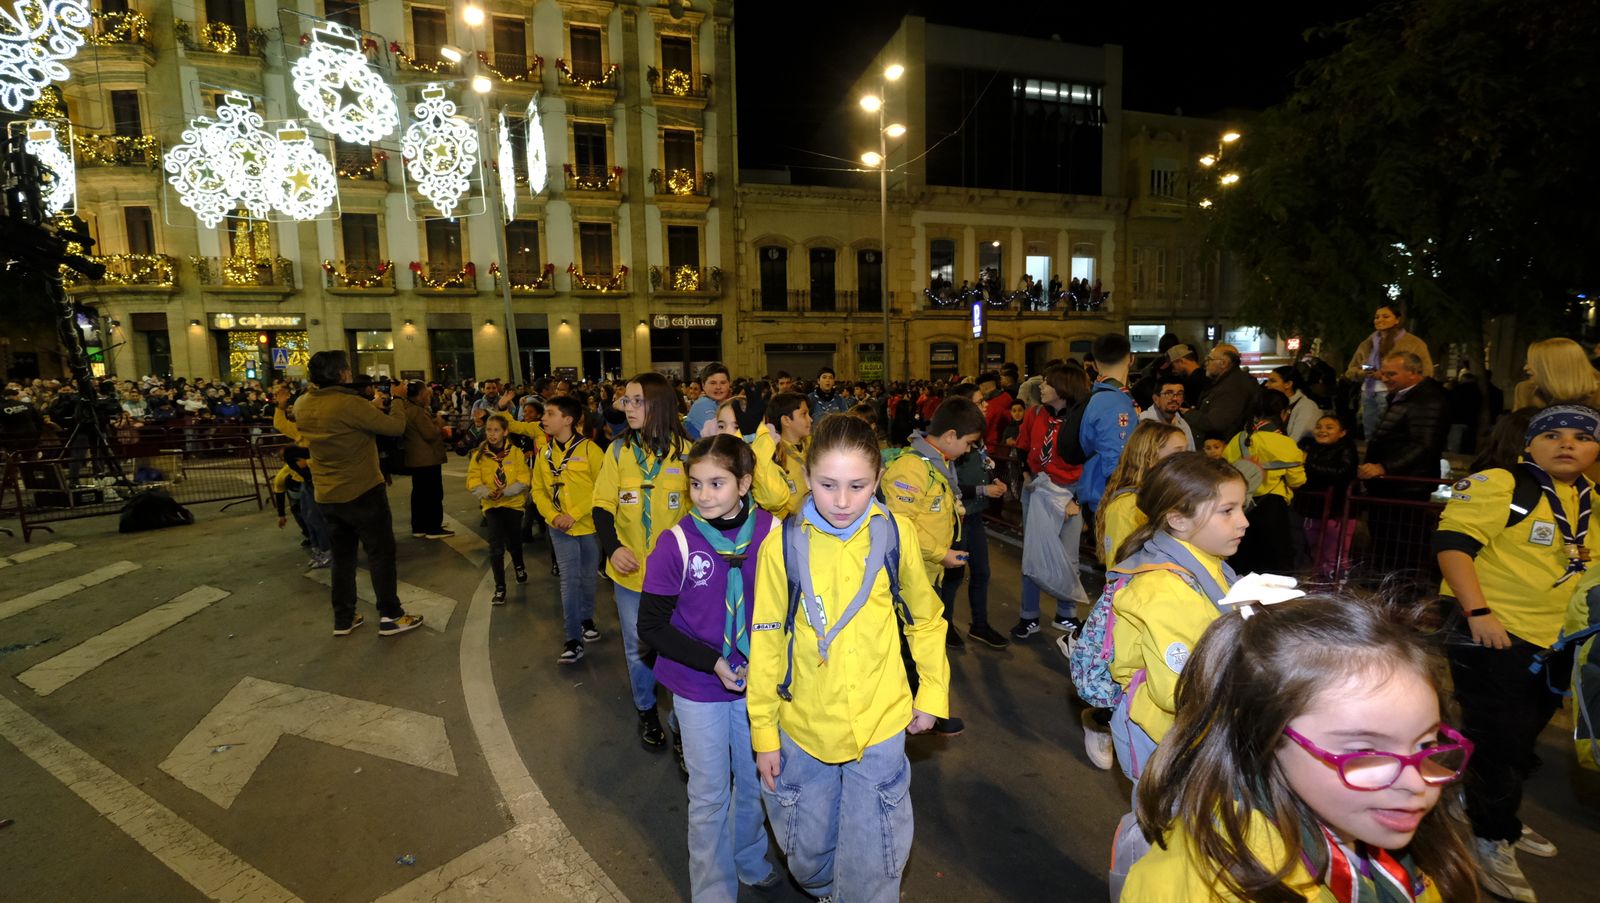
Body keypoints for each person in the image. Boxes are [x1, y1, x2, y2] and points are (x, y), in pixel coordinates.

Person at [1124, 593, 1477, 903]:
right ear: (1265, 733)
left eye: (1426, 743)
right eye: (1365, 753)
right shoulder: (1217, 884)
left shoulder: (1381, 825)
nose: (1416, 783)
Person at [746, 414, 950, 903]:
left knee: (874, 862)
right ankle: (824, 889)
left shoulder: (896, 535)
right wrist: (764, 733)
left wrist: (931, 693)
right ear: (806, 477)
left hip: (880, 722)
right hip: (806, 726)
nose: (842, 501)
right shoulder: (782, 545)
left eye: (857, 486)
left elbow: (925, 619)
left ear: (877, 480)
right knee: (807, 854)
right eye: (827, 485)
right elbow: (767, 640)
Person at [1434, 404, 1599, 902]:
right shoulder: (1501, 484)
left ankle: (1482, 805)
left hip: (1560, 640)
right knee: (1502, 741)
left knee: (1522, 740)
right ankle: (1492, 835)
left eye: (1581, 436)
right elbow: (1452, 545)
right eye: (1552, 435)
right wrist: (1479, 612)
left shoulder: (1590, 499)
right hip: (1495, 631)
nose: (1567, 443)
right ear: (1529, 444)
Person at [637, 436, 781, 901]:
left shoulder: (775, 534)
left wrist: (768, 659)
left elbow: (793, 610)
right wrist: (712, 662)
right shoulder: (677, 542)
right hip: (698, 684)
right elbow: (651, 626)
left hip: (757, 683)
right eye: (696, 484)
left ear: (744, 483)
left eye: (717, 483)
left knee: (755, 780)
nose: (703, 495)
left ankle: (747, 856)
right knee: (709, 792)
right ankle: (712, 889)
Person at [1109, 452, 1247, 783]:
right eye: (1227, 511)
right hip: (1163, 735)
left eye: (1242, 507)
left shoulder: (1206, 562)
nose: (1243, 521)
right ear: (1178, 520)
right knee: (1164, 813)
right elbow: (1178, 689)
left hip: (1186, 730)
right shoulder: (1166, 589)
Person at [1078, 420, 1187, 770]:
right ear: (1149, 456)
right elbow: (1122, 571)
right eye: (1177, 452)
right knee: (1126, 683)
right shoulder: (1127, 506)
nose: (1187, 458)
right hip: (1134, 612)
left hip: (1159, 609)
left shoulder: (1167, 500)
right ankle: (1099, 722)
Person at [593, 372, 694, 750]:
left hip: (677, 577)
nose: (628, 408)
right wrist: (613, 548)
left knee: (681, 649)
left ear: (659, 404)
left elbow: (701, 512)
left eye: (638, 401)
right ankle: (647, 710)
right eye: (626, 400)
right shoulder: (617, 451)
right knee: (638, 648)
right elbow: (602, 506)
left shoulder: (688, 453)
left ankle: (681, 723)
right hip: (631, 575)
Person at [292, 351, 424, 637]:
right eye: (348, 370)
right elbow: (395, 427)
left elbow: (339, 420)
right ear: (342, 374)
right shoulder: (350, 404)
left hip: (327, 494)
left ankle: (344, 617)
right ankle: (391, 615)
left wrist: (370, 407)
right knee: (380, 554)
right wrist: (397, 400)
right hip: (362, 491)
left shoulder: (302, 404)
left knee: (343, 558)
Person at [886, 396, 982, 655]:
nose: (969, 450)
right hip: (911, 576)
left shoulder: (939, 463)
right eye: (968, 443)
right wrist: (941, 553)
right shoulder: (912, 468)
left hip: (928, 572)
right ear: (950, 436)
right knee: (912, 650)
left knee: (924, 643)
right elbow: (900, 527)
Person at [1011, 363, 1094, 639]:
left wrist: (1077, 500)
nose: (1041, 387)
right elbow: (1022, 447)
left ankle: (1066, 614)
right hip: (1037, 489)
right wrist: (1026, 476)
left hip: (1070, 492)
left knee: (1069, 558)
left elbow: (1092, 462)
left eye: (1047, 383)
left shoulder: (1081, 420)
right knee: (1033, 555)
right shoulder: (1034, 414)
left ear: (1063, 388)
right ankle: (1029, 616)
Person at [1359, 352, 1449, 579]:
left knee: (1404, 542)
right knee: (1387, 539)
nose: (1385, 378)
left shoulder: (1428, 399)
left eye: (1391, 374)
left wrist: (1385, 467)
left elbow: (1424, 445)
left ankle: (1404, 585)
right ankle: (1387, 581)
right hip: (1391, 483)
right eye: (1384, 373)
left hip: (1406, 485)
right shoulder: (1404, 396)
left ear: (1414, 372)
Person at [531, 395, 604, 663]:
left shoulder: (591, 450)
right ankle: (573, 639)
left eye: (550, 414)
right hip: (559, 528)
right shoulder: (544, 454)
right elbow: (537, 490)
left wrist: (574, 514)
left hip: (587, 526)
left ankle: (586, 618)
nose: (543, 418)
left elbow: (602, 488)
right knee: (569, 581)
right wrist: (553, 516)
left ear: (568, 420)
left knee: (588, 578)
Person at [941, 384, 1011, 649]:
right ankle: (944, 625)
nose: (986, 405)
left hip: (974, 517)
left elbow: (982, 465)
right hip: (957, 521)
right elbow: (949, 485)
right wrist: (983, 490)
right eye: (980, 401)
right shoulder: (952, 441)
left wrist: (994, 480)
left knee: (981, 572)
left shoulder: (977, 436)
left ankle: (979, 625)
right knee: (953, 575)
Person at [1223, 391, 1307, 575]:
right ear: (1283, 413)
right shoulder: (1286, 443)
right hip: (1273, 509)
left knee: (1242, 564)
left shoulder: (1238, 439)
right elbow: (1297, 481)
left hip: (1241, 508)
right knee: (1275, 567)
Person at [467, 414, 532, 606]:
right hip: (492, 506)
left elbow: (524, 478)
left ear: (505, 432)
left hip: (513, 505)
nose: (492, 434)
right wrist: (486, 493)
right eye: (489, 430)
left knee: (514, 542)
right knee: (495, 548)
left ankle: (519, 565)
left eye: (496, 430)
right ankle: (500, 588)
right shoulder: (479, 455)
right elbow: (472, 480)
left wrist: (506, 491)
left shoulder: (516, 453)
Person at [1345, 305, 1434, 440]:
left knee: (1391, 434)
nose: (1380, 320)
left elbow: (1426, 371)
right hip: (1369, 393)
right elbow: (1351, 370)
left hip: (1396, 394)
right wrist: (1362, 372)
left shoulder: (1413, 343)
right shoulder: (1367, 343)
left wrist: (1386, 375)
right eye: (1377, 317)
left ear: (1397, 320)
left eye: (1385, 316)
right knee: (1370, 434)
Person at [1076, 333, 1139, 515]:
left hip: (1104, 496)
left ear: (1095, 365)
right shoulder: (1114, 403)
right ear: (1131, 359)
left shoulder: (1101, 397)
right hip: (1112, 500)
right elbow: (1116, 462)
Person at [1298, 414, 1359, 578]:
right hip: (1312, 510)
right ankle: (1319, 583)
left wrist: (1308, 463)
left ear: (1342, 432)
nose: (1322, 430)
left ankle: (1337, 584)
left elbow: (1342, 472)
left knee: (1336, 553)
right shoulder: (1309, 447)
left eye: (1329, 427)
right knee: (1315, 550)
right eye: (1318, 427)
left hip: (1337, 512)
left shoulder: (1347, 449)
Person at [400, 380, 453, 540]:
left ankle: (419, 526)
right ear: (422, 394)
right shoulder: (418, 411)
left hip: (417, 459)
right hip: (427, 459)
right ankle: (433, 528)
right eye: (427, 394)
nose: (429, 397)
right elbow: (430, 434)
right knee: (433, 494)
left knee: (419, 494)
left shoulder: (407, 408)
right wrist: (440, 422)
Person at [750, 391, 811, 518]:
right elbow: (770, 499)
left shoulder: (814, 446)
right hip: (788, 522)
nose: (810, 419)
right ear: (786, 420)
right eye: (804, 414)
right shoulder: (773, 454)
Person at [1184, 344, 1261, 441]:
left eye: (1210, 359)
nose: (1205, 363)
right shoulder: (1228, 382)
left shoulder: (1233, 387)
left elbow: (1216, 423)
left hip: (1224, 445)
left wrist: (1189, 414)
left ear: (1223, 363)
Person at [1266, 365, 1321, 444]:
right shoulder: (1277, 405)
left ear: (1288, 384)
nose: (1267, 385)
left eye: (1272, 381)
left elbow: (1296, 440)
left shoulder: (1306, 407)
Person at [1137, 376, 1195, 451]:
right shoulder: (1142, 423)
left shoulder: (1183, 425)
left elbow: (1190, 454)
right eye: (1168, 393)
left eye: (1179, 394)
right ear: (1156, 399)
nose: (1175, 398)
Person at [685, 362, 731, 438]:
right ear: (703, 385)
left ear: (729, 384)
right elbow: (719, 438)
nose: (718, 387)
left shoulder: (719, 404)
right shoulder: (703, 404)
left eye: (723, 383)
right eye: (713, 383)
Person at [976, 371, 1014, 464]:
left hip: (991, 448)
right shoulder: (1007, 397)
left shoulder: (990, 406)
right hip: (1004, 448)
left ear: (983, 387)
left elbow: (983, 428)